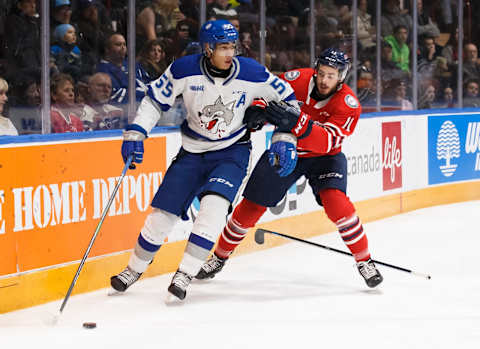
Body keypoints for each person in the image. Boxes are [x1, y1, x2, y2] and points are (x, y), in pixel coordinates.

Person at [110, 19, 298, 301]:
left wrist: (281, 135)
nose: (229, 54)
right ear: (207, 48)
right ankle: (134, 268)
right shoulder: (183, 69)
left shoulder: (252, 72)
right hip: (192, 152)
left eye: (232, 47)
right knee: (162, 216)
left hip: (232, 152)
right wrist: (136, 132)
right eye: (223, 47)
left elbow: (290, 105)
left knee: (214, 208)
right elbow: (153, 101)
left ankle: (185, 272)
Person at [196, 48, 384, 289]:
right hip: (284, 149)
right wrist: (258, 110)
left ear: (341, 78)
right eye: (322, 73)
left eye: (331, 76)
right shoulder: (297, 79)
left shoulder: (349, 105)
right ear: (316, 70)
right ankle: (219, 257)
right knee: (250, 208)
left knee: (337, 203)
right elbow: (264, 93)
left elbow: (327, 141)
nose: (325, 80)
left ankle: (364, 260)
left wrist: (298, 121)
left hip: (325, 158)